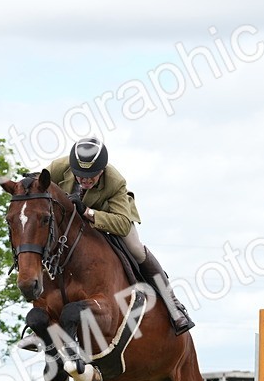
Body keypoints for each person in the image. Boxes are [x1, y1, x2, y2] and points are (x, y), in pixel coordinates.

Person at [46, 137, 195, 334]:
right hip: (71, 221)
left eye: (92, 176)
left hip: (110, 216)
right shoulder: (59, 167)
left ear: (102, 170)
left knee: (136, 249)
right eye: (80, 175)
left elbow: (123, 224)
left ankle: (173, 304)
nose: (85, 180)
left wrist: (88, 213)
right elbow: (41, 186)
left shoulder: (115, 181)